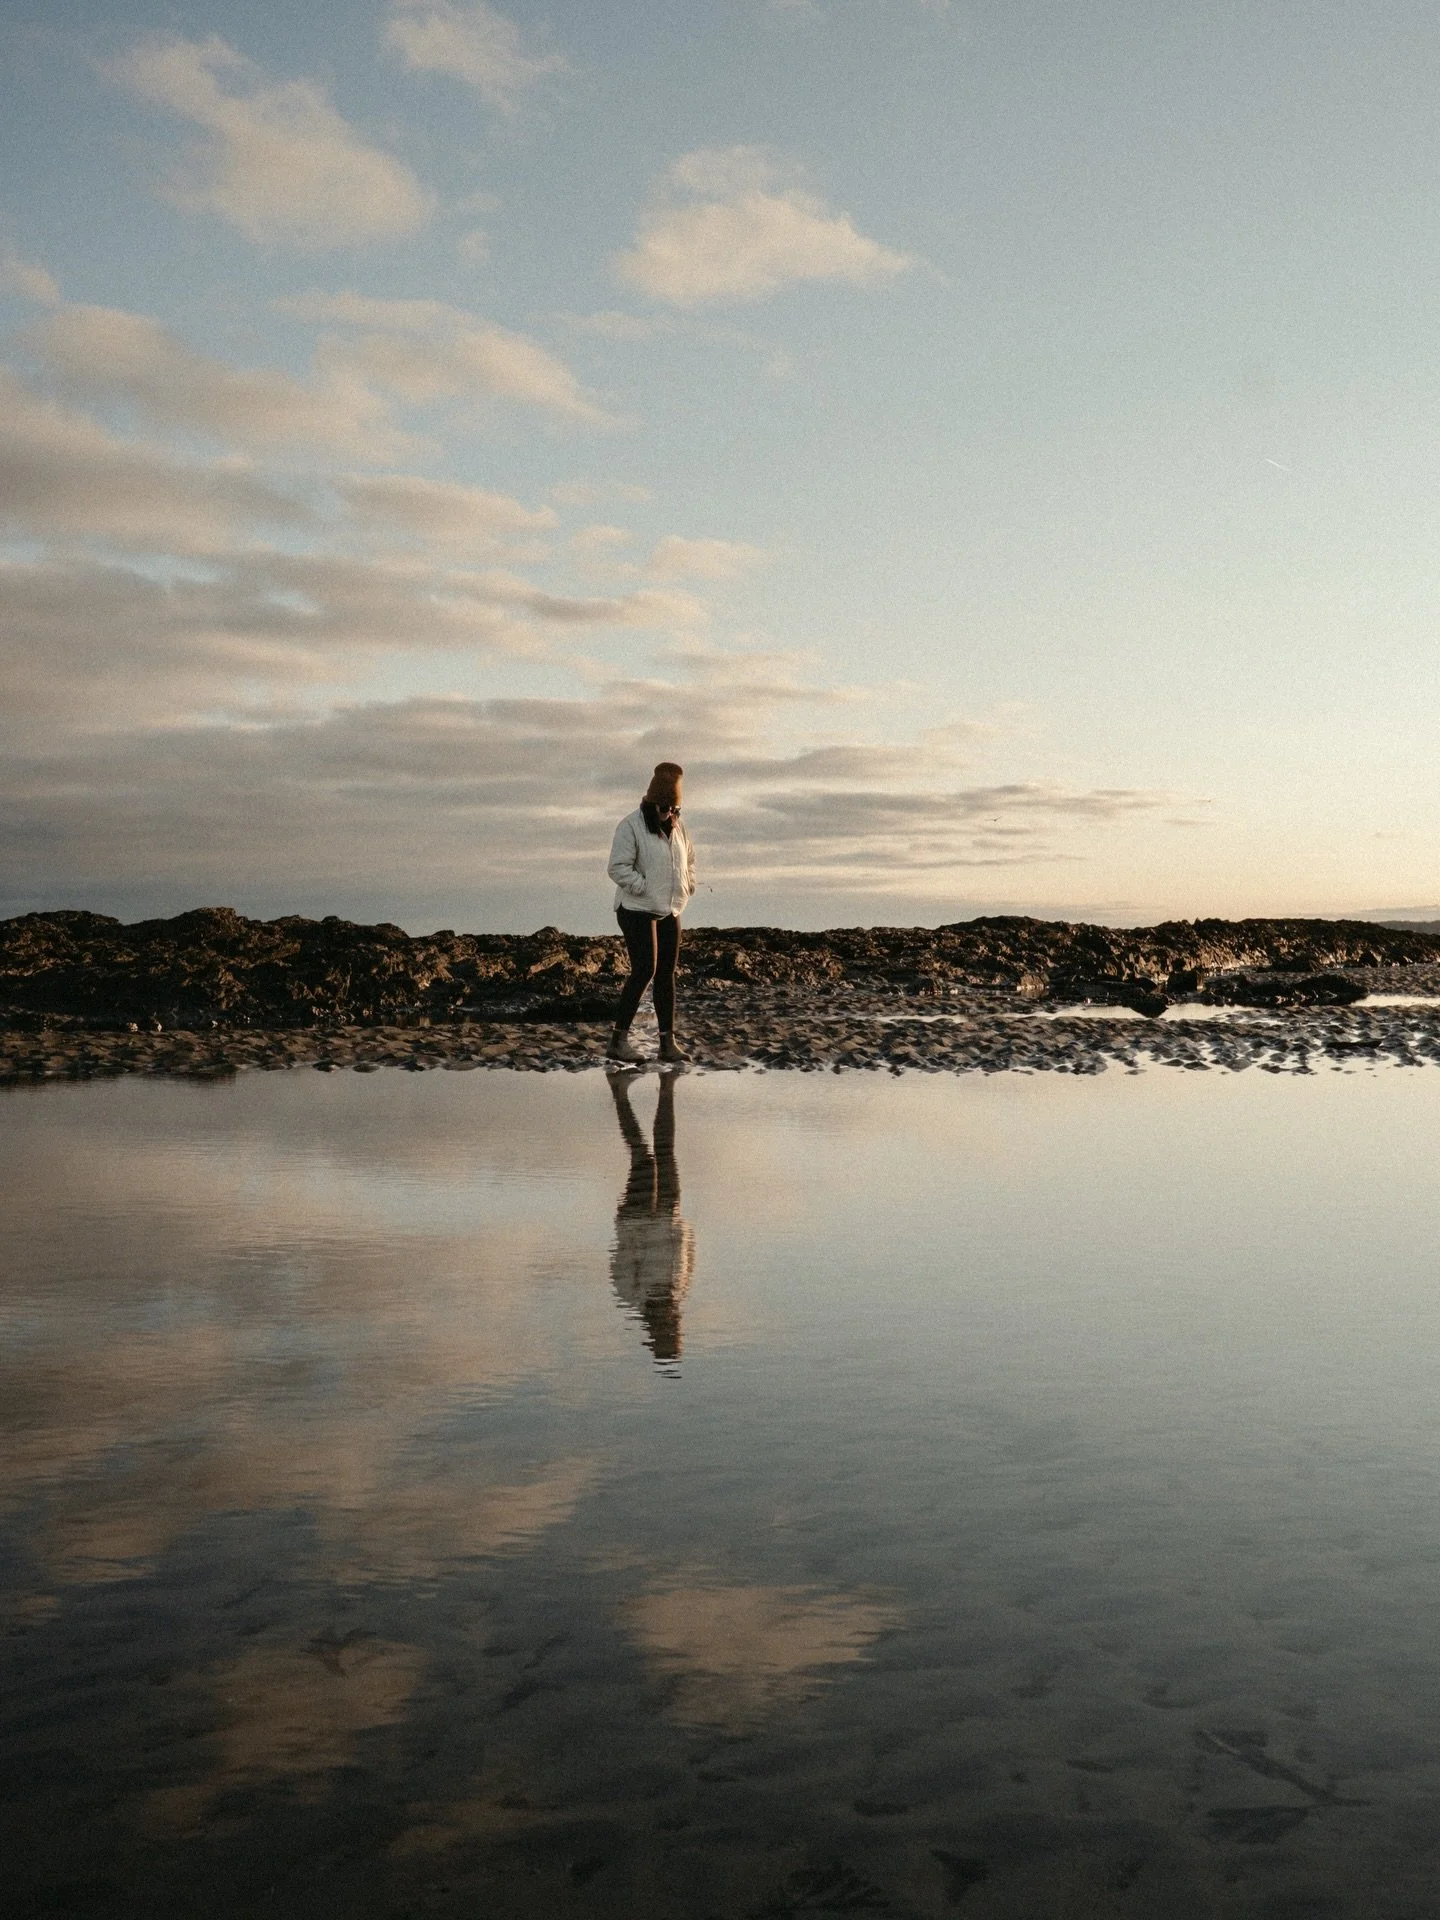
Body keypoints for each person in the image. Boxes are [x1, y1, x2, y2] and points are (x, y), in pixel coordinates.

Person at [606, 762, 696, 1064]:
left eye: (674, 809)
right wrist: (643, 887)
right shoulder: (630, 826)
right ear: (649, 802)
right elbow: (617, 868)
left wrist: (688, 884)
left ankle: (667, 1044)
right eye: (663, 807)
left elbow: (690, 860)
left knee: (666, 975)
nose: (668, 814)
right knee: (645, 969)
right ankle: (618, 1041)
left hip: (670, 907)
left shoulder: (679, 828)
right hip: (635, 908)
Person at [608, 1070, 694, 1367]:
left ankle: (619, 1096)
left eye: (670, 1332)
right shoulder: (680, 1292)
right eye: (676, 1331)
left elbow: (621, 1253)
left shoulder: (630, 1294)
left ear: (655, 1333)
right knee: (666, 1150)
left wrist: (643, 1219)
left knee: (642, 1155)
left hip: (639, 1215)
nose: (675, 1326)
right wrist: (681, 1227)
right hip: (670, 1213)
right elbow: (691, 1257)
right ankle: (666, 1086)